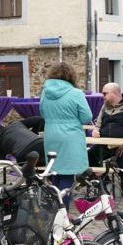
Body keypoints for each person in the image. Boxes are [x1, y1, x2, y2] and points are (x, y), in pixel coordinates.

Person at [40, 62, 92, 203]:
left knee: (55, 172)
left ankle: (55, 210)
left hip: (51, 135)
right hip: (70, 137)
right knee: (67, 176)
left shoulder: (45, 92)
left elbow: (42, 113)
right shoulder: (75, 93)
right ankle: (63, 213)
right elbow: (87, 117)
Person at [90, 83, 123, 199]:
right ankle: (105, 184)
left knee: (120, 163)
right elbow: (97, 126)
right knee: (88, 157)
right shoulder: (104, 107)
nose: (103, 96)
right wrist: (95, 132)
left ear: (115, 93)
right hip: (105, 145)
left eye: (105, 93)